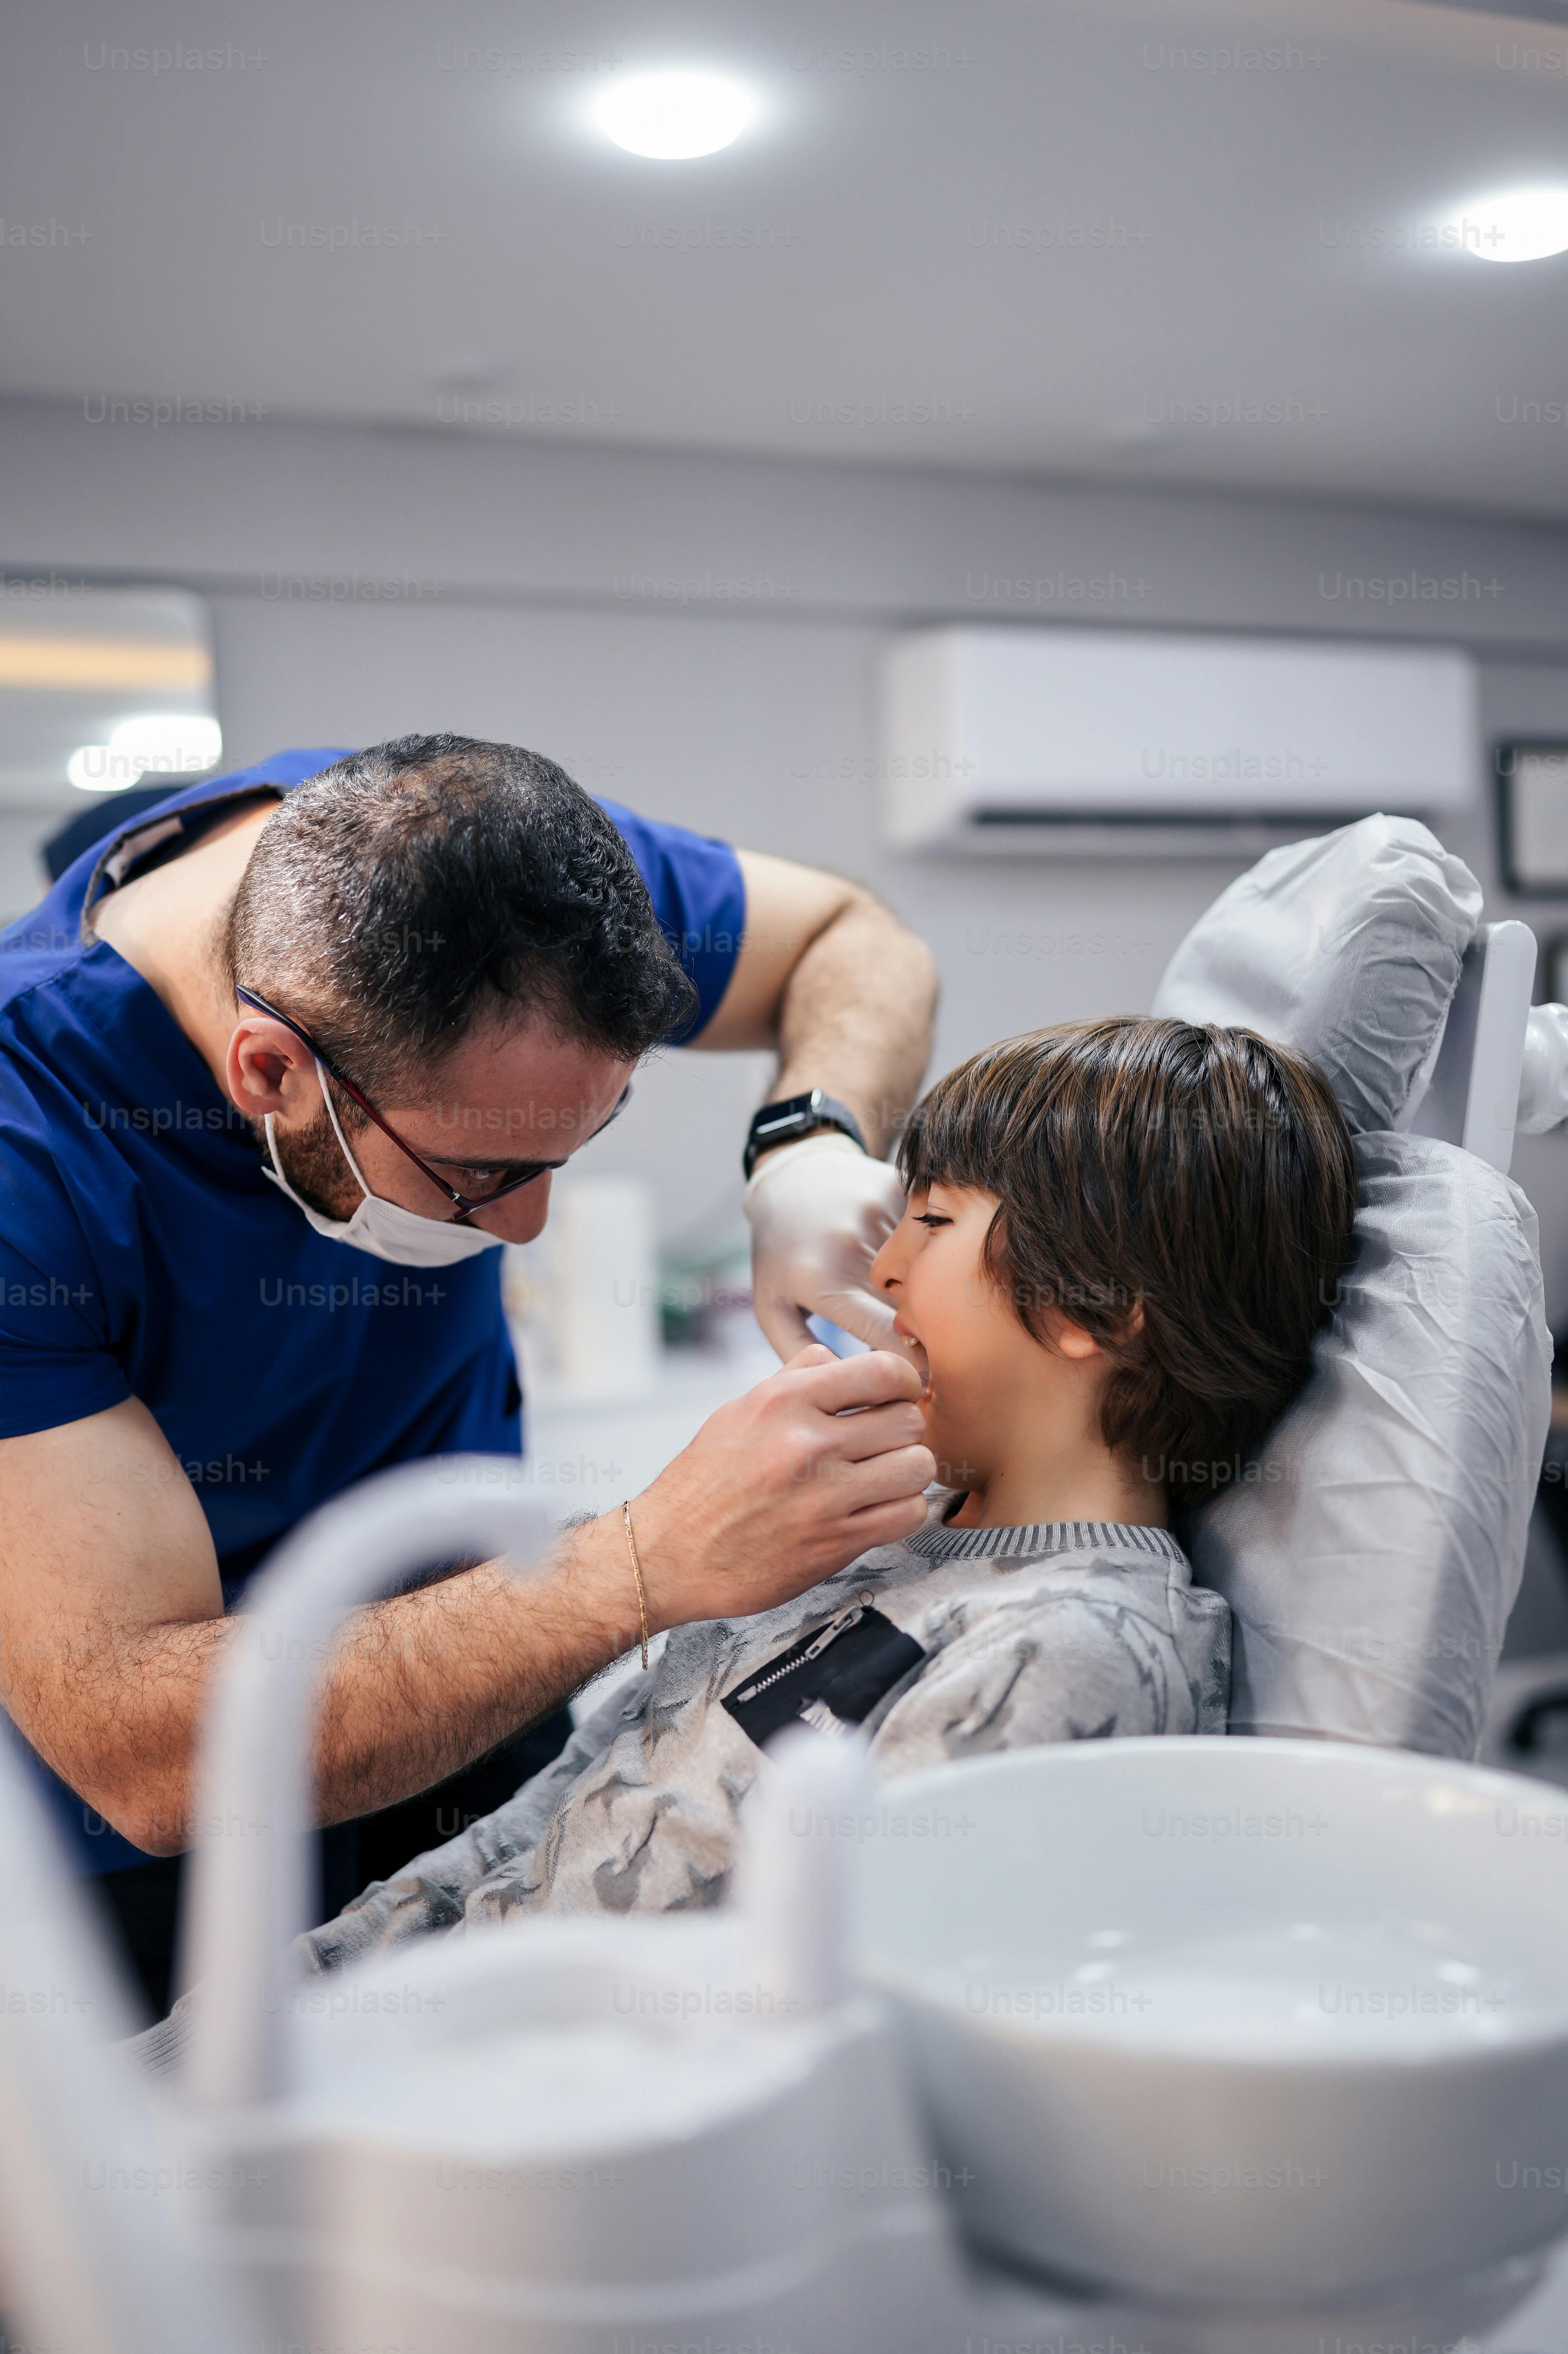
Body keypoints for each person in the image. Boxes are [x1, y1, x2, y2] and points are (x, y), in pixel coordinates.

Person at [0, 734, 938, 2014]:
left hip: (493, 1693)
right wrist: (644, 1564)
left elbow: (852, 937)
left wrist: (809, 1141)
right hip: (186, 1837)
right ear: (271, 1073)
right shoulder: (30, 1156)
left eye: (577, 1145)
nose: (530, 1228)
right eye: (482, 1176)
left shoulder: (482, 876)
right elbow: (142, 1751)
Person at [274, 1014, 1360, 1968]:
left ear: (1100, 1311)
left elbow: (842, 2024)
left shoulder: (1067, 1649)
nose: (880, 1274)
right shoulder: (881, 1528)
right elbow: (548, 1824)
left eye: (930, 1224)